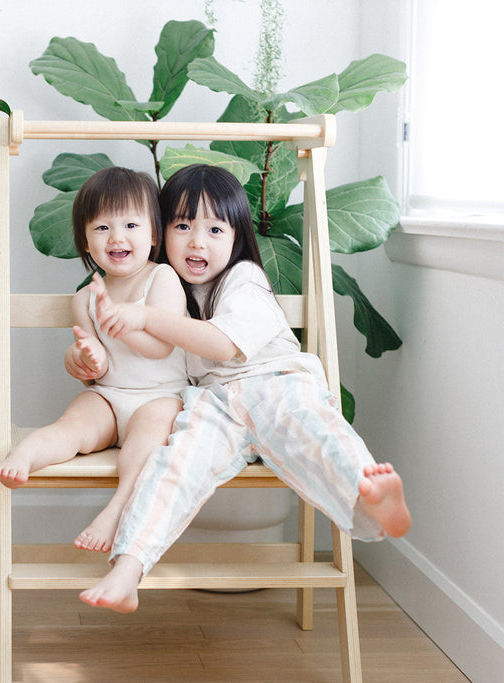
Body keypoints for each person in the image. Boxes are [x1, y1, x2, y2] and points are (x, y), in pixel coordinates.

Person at [79, 164, 411, 613]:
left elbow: (224, 345)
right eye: (182, 226)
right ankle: (128, 569)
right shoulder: (166, 285)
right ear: (161, 233)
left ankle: (369, 496)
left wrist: (145, 319)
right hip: (212, 404)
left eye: (216, 229)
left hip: (272, 383)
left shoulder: (244, 280)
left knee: (312, 430)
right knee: (174, 467)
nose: (198, 241)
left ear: (237, 238)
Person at [0, 166, 188, 553]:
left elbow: (163, 346)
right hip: (111, 397)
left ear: (153, 235)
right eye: (102, 228)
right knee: (76, 420)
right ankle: (27, 455)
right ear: (84, 241)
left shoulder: (161, 278)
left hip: (162, 396)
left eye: (131, 224)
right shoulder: (85, 298)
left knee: (149, 433)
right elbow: (95, 370)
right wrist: (82, 358)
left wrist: (121, 324)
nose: (117, 237)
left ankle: (117, 510)